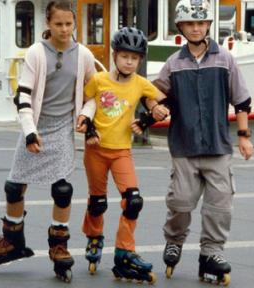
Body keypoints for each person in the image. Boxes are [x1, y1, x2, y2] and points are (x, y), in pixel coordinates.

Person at [0, 0, 97, 283]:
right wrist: (30, 132)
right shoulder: (35, 53)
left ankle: (59, 244)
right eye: (58, 24)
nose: (64, 29)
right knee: (14, 186)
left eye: (69, 24)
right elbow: (24, 96)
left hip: (62, 129)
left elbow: (94, 92)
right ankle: (12, 239)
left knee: (63, 189)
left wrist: (86, 116)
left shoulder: (83, 55)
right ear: (48, 24)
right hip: (37, 125)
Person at [148, 0, 254, 285]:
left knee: (220, 203)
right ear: (180, 26)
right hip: (184, 146)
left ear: (208, 25)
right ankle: (174, 241)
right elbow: (154, 93)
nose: (196, 28)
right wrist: (153, 106)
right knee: (181, 202)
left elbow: (242, 100)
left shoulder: (225, 59)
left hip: (218, 146)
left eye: (201, 23)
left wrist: (244, 137)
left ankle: (212, 251)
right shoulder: (174, 63)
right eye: (190, 24)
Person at [80, 27, 169, 284]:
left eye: (135, 57)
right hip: (95, 150)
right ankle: (94, 236)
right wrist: (89, 128)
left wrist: (154, 114)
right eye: (124, 56)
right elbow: (85, 105)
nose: (129, 61)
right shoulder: (98, 80)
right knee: (97, 201)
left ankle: (124, 253)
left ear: (140, 60)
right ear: (115, 55)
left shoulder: (141, 83)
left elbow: (156, 102)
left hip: (122, 152)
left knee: (133, 201)